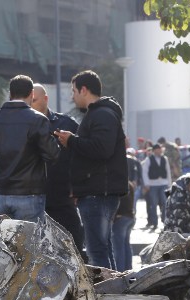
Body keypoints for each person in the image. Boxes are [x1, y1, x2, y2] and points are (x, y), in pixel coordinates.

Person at [55, 70, 128, 269]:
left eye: (74, 91)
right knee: (103, 248)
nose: (72, 96)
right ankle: (113, 292)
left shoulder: (102, 114)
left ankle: (105, 294)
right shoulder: (99, 114)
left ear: (84, 90)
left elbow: (101, 149)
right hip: (96, 191)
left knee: (97, 251)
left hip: (98, 194)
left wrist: (72, 140)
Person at [0, 74, 60, 221]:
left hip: (2, 192)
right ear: (32, 94)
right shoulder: (38, 120)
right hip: (29, 194)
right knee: (29, 243)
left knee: (5, 243)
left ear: (10, 94)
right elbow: (53, 154)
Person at [31, 83, 86, 254]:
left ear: (46, 99)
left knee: (74, 246)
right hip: (32, 199)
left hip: (63, 198)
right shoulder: (22, 125)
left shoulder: (66, 124)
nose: (30, 104)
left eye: (34, 100)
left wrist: (77, 187)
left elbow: (81, 157)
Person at [141, 144, 172, 230]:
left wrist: (169, 184)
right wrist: (147, 184)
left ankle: (164, 220)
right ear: (154, 150)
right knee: (153, 204)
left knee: (165, 203)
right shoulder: (148, 159)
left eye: (160, 149)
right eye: (158, 149)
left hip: (163, 183)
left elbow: (168, 171)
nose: (159, 151)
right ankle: (154, 222)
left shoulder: (164, 159)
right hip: (153, 184)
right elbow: (145, 172)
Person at [111, 181, 136, 272]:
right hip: (130, 217)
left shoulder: (117, 185)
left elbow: (116, 203)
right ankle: (128, 268)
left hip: (120, 218)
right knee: (126, 245)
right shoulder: (129, 184)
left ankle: (120, 271)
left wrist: (113, 216)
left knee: (119, 248)